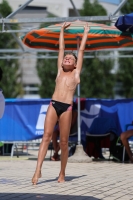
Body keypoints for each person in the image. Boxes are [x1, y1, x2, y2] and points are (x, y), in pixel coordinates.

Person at [32, 22, 89, 184]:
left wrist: (85, 34)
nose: (67, 58)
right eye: (66, 58)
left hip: (67, 108)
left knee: (64, 142)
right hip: (54, 104)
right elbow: (61, 49)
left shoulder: (76, 74)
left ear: (76, 64)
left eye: (71, 58)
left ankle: (62, 173)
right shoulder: (59, 72)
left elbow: (81, 51)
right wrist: (62, 31)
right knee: (46, 137)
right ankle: (38, 170)